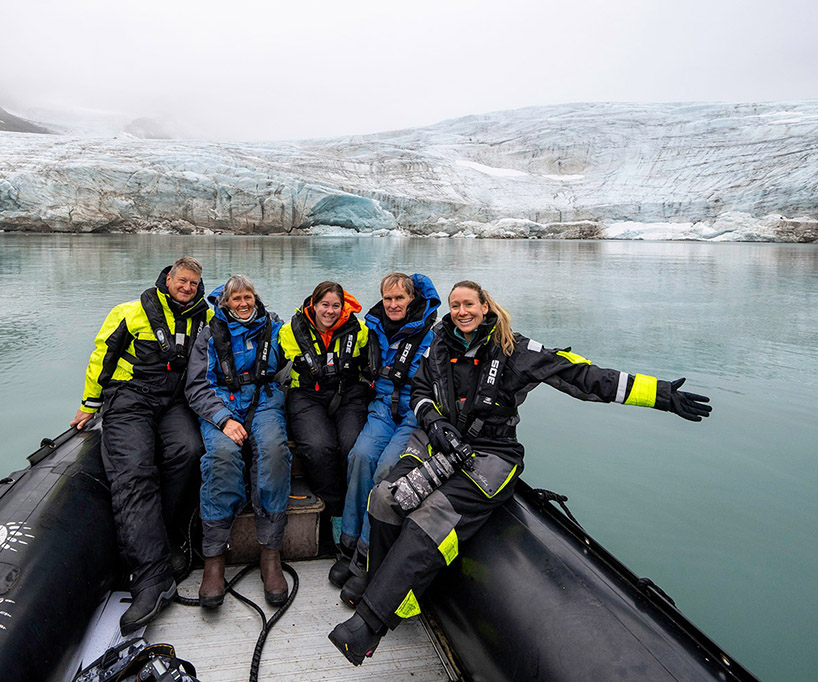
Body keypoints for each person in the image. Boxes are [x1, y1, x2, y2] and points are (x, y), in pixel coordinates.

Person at [329, 279, 712, 665]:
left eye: (469, 304)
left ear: (485, 306)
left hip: (490, 454)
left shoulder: (515, 350)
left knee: (429, 519)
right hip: (437, 440)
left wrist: (659, 394)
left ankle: (368, 625)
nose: (461, 312)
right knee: (384, 497)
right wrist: (434, 422)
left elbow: (583, 376)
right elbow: (420, 391)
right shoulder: (439, 343)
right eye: (455, 305)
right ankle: (384, 586)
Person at [70, 257, 212, 634]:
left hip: (173, 402)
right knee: (134, 472)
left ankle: (165, 537)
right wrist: (89, 404)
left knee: (189, 451)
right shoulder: (130, 312)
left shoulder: (205, 318)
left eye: (193, 283)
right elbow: (102, 356)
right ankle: (153, 577)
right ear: (168, 278)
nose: (187, 288)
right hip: (129, 399)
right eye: (182, 281)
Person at [330, 273, 440, 605]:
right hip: (382, 406)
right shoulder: (374, 327)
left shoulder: (432, 334)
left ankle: (367, 557)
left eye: (399, 298)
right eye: (388, 298)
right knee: (360, 457)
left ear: (412, 300)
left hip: (414, 412)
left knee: (387, 470)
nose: (392, 304)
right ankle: (348, 543)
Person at [185, 275, 292, 608]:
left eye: (248, 297)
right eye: (236, 299)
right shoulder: (208, 335)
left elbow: (297, 353)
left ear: (255, 299)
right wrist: (222, 418)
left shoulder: (274, 328)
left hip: (264, 400)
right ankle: (214, 557)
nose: (243, 304)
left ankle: (270, 552)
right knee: (221, 457)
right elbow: (197, 386)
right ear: (226, 303)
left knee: (274, 451)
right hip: (222, 404)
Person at [279, 281, 370, 542]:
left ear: (343, 307)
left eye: (336, 306)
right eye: (325, 305)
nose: (330, 311)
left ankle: (357, 511)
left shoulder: (359, 330)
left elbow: (369, 363)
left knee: (353, 446)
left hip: (347, 393)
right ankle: (334, 511)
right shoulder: (290, 331)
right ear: (314, 304)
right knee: (319, 447)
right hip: (307, 394)